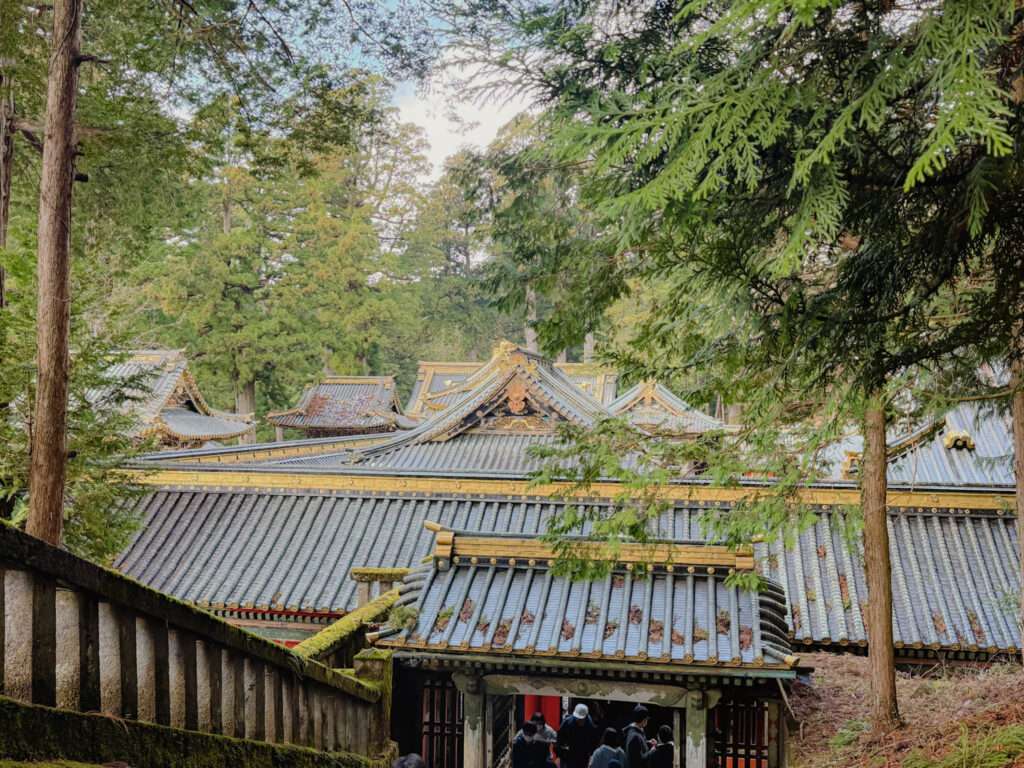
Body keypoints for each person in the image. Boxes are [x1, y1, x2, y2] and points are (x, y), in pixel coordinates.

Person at [558, 703, 599, 768]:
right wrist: (561, 752)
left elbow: (593, 740)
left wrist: (591, 753)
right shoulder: (567, 722)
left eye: (581, 719)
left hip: (584, 755)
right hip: (570, 754)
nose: (579, 720)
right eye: (577, 718)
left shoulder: (590, 725)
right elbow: (559, 738)